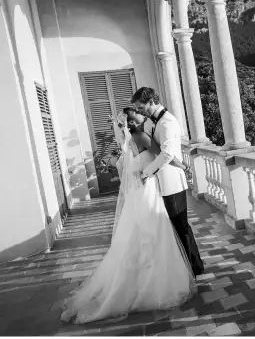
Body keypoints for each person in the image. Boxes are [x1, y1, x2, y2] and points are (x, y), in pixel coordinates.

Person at [60, 110, 196, 324]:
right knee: (154, 234)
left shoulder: (126, 142)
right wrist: (185, 166)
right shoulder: (141, 136)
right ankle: (154, 285)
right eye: (139, 115)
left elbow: (126, 167)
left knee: (136, 237)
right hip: (148, 192)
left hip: (136, 195)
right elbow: (165, 156)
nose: (144, 117)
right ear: (134, 122)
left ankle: (135, 282)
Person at [131, 87, 204, 277]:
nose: (140, 111)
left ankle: (194, 267)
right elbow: (149, 145)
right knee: (171, 227)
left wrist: (147, 171)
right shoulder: (150, 122)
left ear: (152, 101)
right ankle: (185, 265)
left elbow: (167, 154)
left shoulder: (168, 122)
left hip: (171, 182)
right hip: (159, 182)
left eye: (141, 107)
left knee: (181, 226)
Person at [122, 107, 187, 171]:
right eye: (136, 112)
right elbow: (164, 155)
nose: (141, 112)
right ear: (131, 122)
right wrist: (184, 167)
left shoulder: (133, 137)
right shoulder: (141, 136)